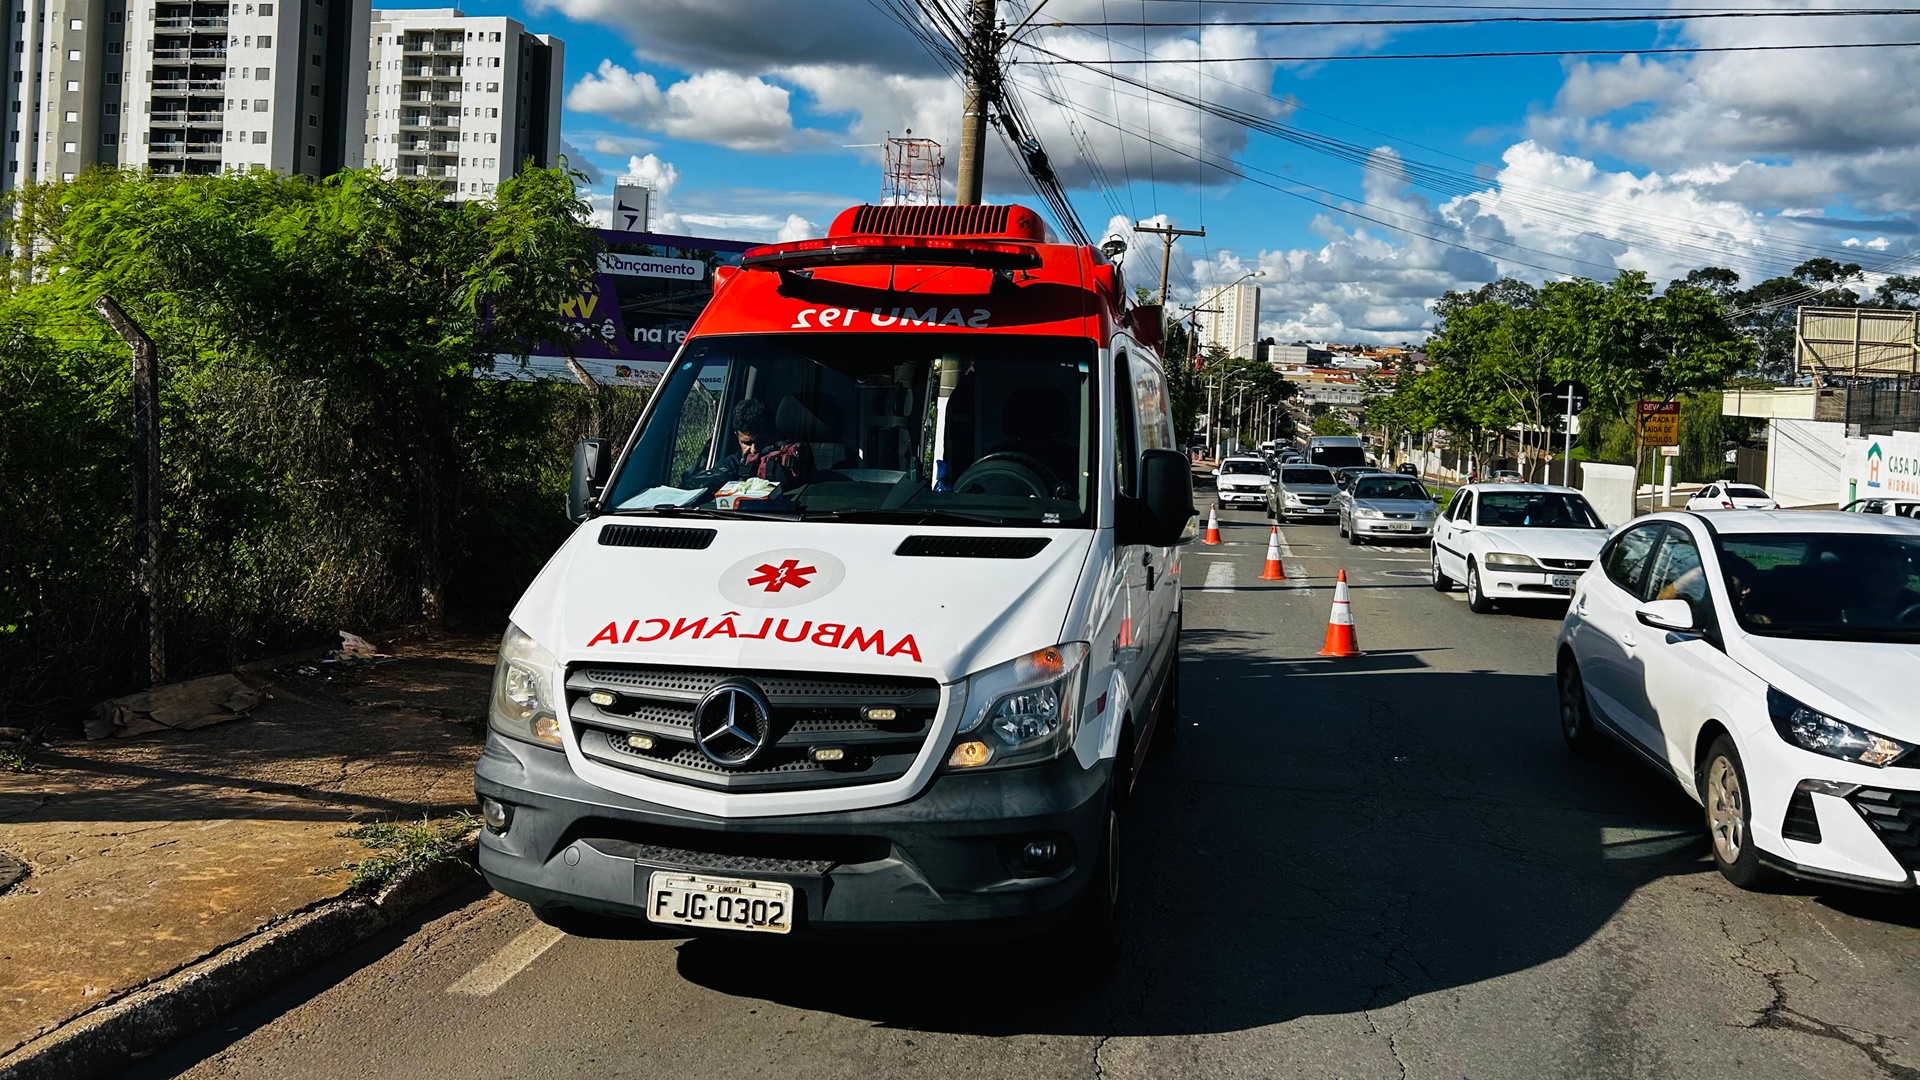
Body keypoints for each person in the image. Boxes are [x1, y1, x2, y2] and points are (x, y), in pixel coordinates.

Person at [718, 399, 810, 485]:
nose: (753, 450)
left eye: (761, 441)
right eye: (746, 443)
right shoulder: (732, 465)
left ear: (774, 434)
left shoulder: (793, 459)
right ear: (737, 436)